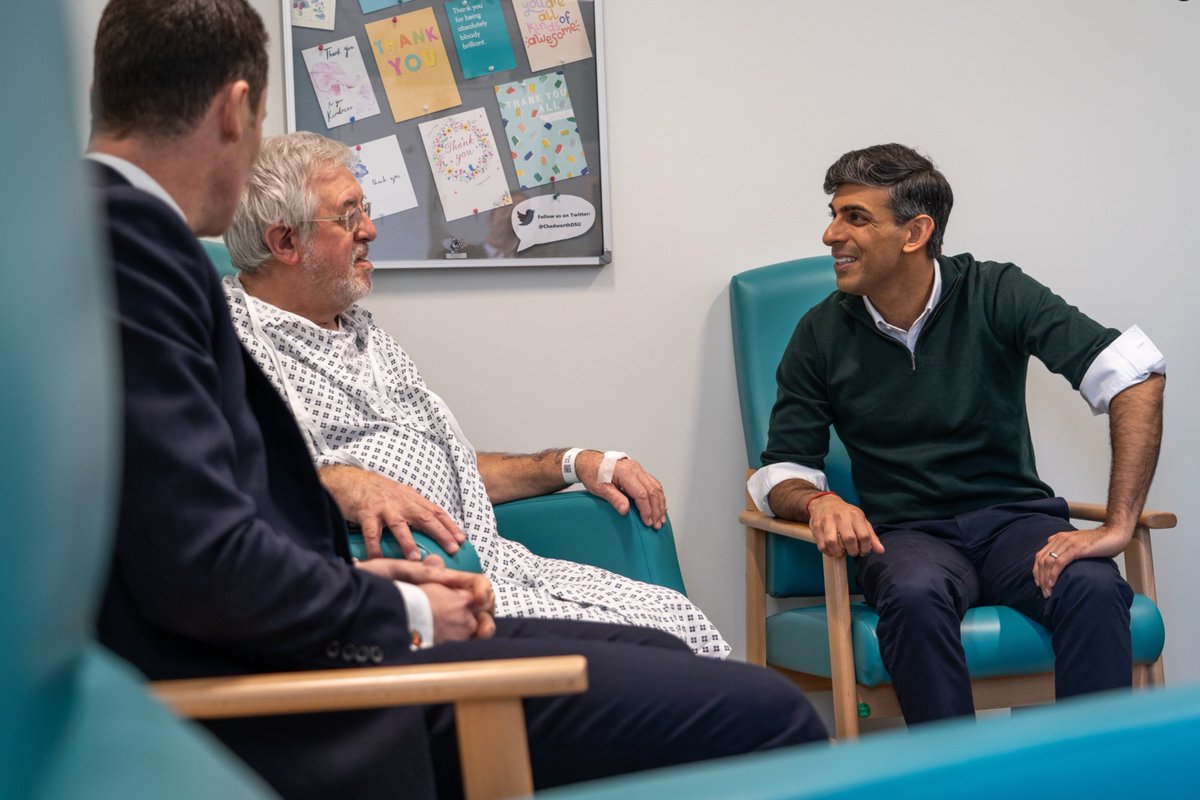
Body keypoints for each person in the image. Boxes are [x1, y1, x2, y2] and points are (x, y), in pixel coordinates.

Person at [87, 1, 824, 796]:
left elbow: (200, 509)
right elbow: (202, 559)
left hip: (359, 609)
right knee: (774, 715)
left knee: (672, 650)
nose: (370, 229)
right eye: (350, 215)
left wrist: (563, 462)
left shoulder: (101, 243)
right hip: (325, 685)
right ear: (237, 110)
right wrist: (395, 605)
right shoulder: (138, 256)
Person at [220, 131, 730, 658]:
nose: (370, 230)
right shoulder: (229, 345)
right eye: (349, 216)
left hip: (502, 564)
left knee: (677, 618)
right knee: (661, 656)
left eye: (365, 210)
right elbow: (228, 490)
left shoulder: (367, 338)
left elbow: (451, 467)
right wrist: (328, 482)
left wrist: (575, 463)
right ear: (285, 244)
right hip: (428, 596)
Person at [748, 142, 1165, 725]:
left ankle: (1085, 778)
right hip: (907, 534)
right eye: (833, 214)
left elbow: (1134, 376)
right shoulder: (820, 332)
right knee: (914, 598)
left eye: (855, 217)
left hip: (1016, 522)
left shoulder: (997, 292)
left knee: (1093, 586)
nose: (830, 235)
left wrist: (1119, 525)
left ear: (915, 232)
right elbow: (781, 470)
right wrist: (818, 500)